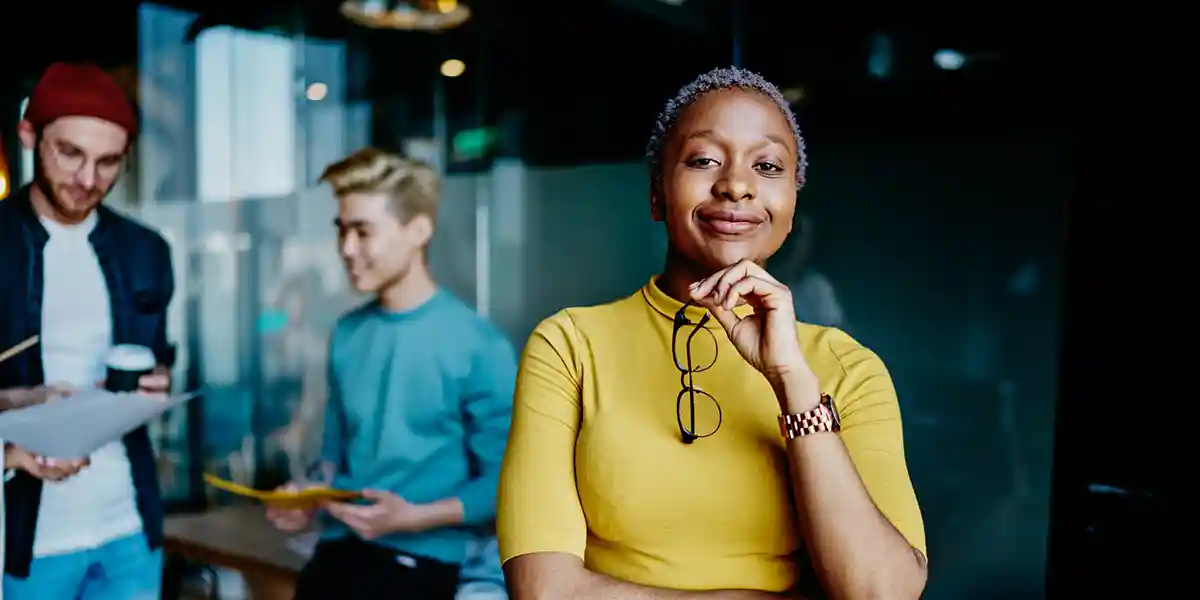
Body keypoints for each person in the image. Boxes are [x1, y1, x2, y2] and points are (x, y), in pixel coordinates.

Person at [497, 67, 927, 599]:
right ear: (657, 195)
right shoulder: (569, 345)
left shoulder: (849, 367)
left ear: (791, 206)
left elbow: (882, 592)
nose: (737, 185)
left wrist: (792, 381)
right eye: (704, 160)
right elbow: (545, 592)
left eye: (767, 166)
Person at [266, 148, 515, 600]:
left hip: (425, 562)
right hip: (340, 552)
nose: (346, 249)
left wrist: (412, 517)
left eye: (363, 231)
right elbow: (334, 460)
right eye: (341, 230)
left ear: (419, 230)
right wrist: (304, 499)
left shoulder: (480, 346)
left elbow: (510, 485)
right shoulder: (347, 333)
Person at [0, 62, 176, 600]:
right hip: (23, 542)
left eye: (108, 162)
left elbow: (160, 358)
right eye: (70, 153)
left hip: (130, 529)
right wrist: (11, 441)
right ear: (29, 135)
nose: (86, 180)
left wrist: (159, 385)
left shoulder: (148, 251)